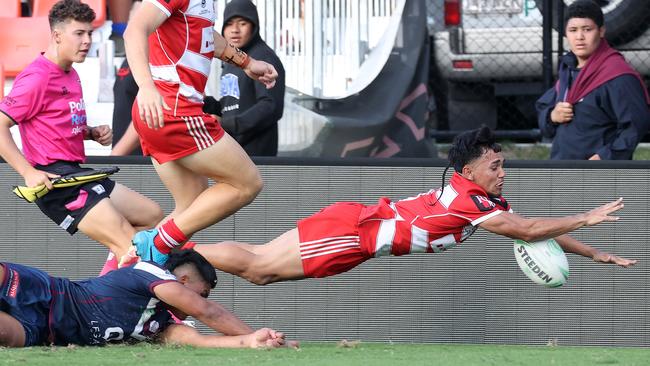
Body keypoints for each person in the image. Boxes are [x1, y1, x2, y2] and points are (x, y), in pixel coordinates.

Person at [176, 126, 636, 285]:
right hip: (357, 231)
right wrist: (587, 215)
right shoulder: (470, 200)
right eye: (495, 165)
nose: (503, 172)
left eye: (503, 164)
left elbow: (531, 226)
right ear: (471, 170)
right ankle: (164, 253)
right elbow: (529, 230)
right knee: (259, 268)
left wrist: (595, 252)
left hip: (356, 229)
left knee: (259, 262)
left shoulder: (477, 195)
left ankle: (165, 250)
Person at [0, 0, 163, 268]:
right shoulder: (36, 78)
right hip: (56, 182)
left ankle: (107, 292)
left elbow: (51, 120)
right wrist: (28, 172)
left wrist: (89, 133)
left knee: (151, 217)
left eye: (89, 33)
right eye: (79, 34)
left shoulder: (70, 72)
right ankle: (115, 304)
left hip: (75, 173)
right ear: (56, 35)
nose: (87, 41)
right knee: (132, 247)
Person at [123, 0, 278, 265]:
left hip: (162, 112)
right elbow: (134, 29)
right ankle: (156, 244)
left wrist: (246, 62)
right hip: (175, 110)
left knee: (192, 207)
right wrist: (146, 86)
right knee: (248, 183)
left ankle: (125, 270)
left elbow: (205, 36)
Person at [0, 249, 288, 348]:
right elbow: (207, 312)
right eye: (203, 291)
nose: (201, 299)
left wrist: (251, 341)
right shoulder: (150, 272)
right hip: (48, 294)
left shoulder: (160, 325)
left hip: (43, 332)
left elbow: (202, 342)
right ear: (183, 281)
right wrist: (251, 331)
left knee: (6, 337)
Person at [536, 0, 650, 160]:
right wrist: (552, 116)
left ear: (601, 31)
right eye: (573, 30)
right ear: (566, 33)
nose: (579, 37)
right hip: (562, 168)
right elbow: (543, 108)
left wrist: (605, 157)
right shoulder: (568, 70)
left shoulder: (617, 74)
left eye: (587, 29)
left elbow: (636, 124)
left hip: (600, 174)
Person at [203, 0, 286, 156]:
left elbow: (270, 107)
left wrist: (229, 124)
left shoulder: (262, 58)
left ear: (254, 26)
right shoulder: (232, 60)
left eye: (242, 23)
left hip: (256, 154)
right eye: (229, 24)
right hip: (232, 150)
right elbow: (231, 105)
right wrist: (206, 104)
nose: (235, 30)